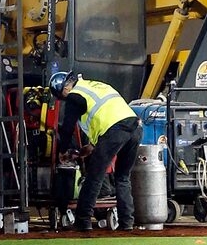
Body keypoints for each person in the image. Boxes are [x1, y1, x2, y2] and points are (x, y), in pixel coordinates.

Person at [49, 67, 139, 233]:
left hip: (115, 131)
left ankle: (83, 221)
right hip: (134, 128)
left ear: (65, 89)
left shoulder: (75, 96)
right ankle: (127, 223)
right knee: (122, 177)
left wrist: (62, 151)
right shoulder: (95, 85)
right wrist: (89, 148)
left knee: (94, 177)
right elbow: (105, 115)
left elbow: (67, 128)